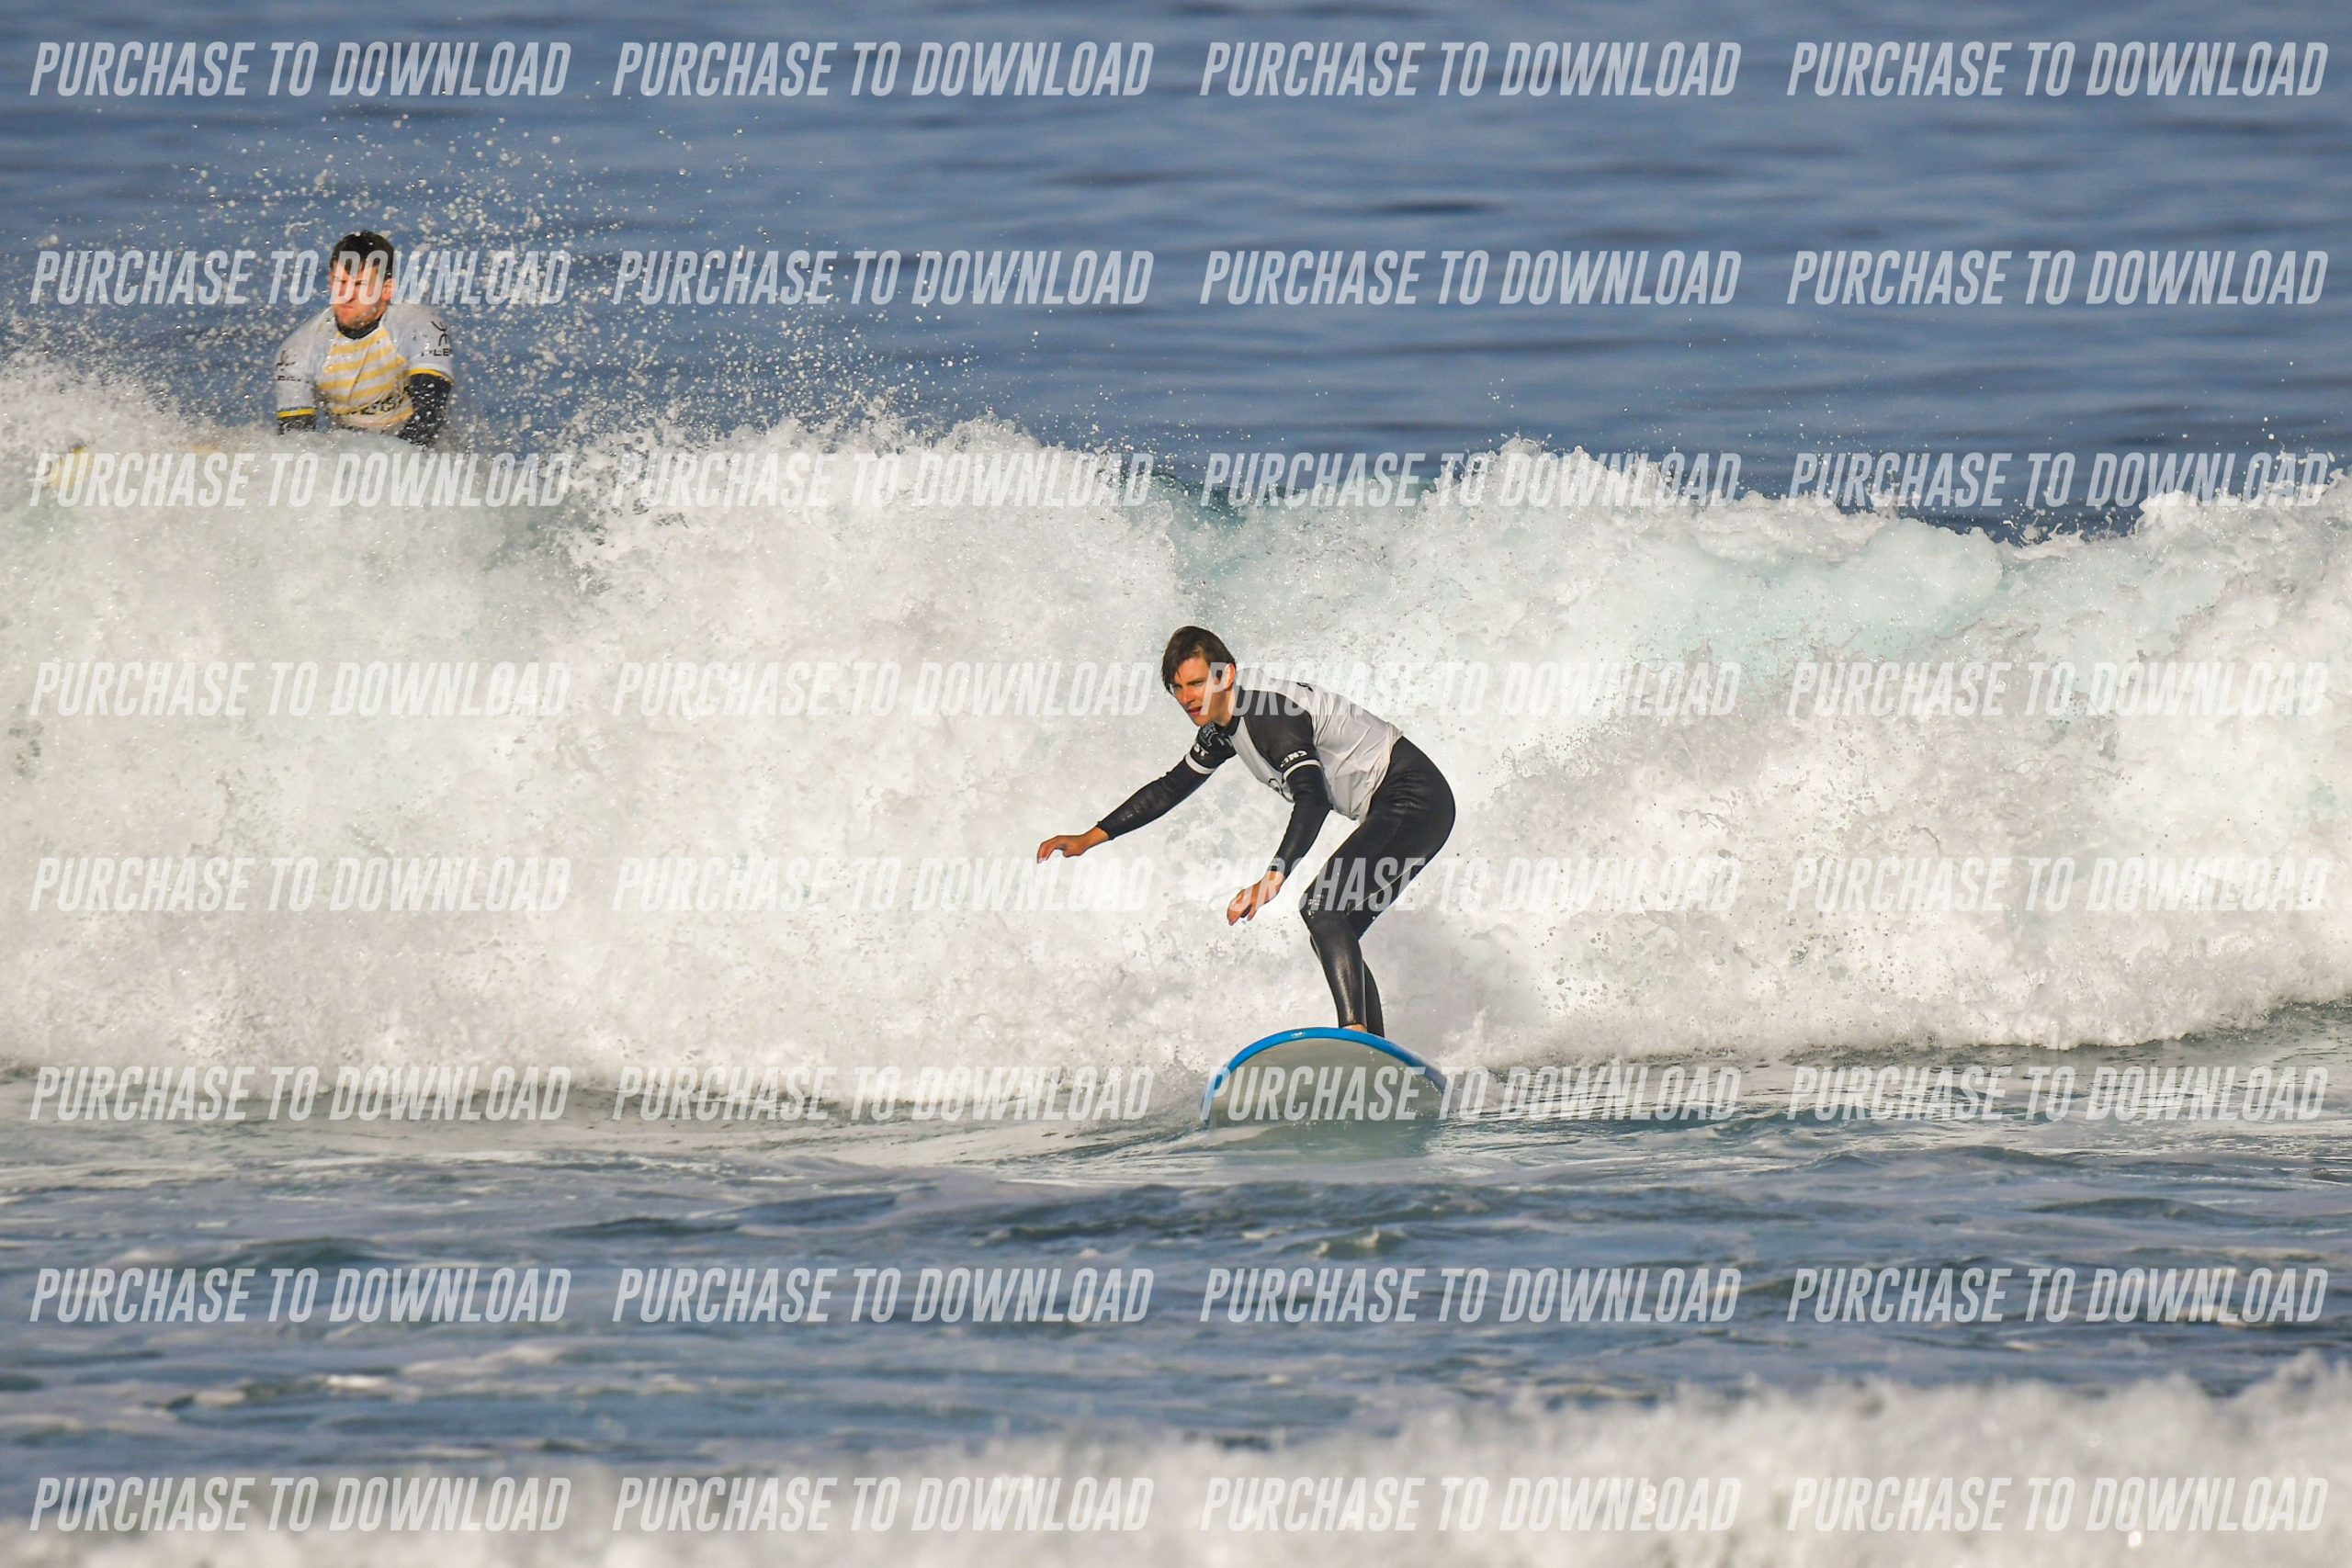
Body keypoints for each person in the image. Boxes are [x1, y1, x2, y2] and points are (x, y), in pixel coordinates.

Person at [1038, 626, 1454, 1038]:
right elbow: (1172, 786)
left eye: (1197, 683)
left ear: (1226, 675)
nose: (1187, 698)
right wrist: (1091, 837)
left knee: (1321, 907)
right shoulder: (1223, 725)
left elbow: (1313, 799)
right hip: (1399, 807)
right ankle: (1374, 1050)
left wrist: (1273, 876)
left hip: (1414, 799)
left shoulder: (1269, 717)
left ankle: (1354, 1032)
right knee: (1332, 926)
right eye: (1178, 688)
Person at [272, 231, 452, 446]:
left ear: (387, 290)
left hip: (422, 451)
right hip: (348, 454)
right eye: (340, 282)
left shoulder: (419, 326)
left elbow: (430, 416)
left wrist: (393, 461)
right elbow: (295, 445)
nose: (346, 295)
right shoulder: (298, 352)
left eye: (359, 285)